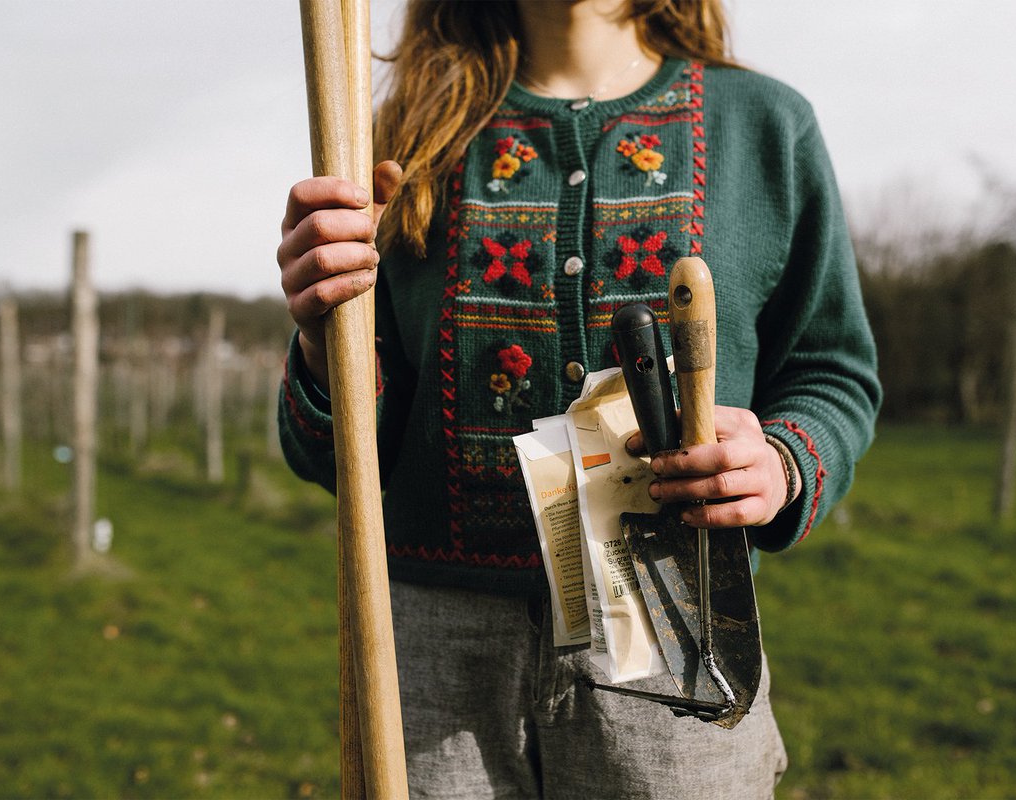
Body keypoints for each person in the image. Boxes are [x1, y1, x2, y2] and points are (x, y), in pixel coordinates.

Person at [276, 0, 881, 796]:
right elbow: (337, 453)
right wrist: (325, 340)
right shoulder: (405, 139)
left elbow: (831, 370)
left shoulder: (764, 126)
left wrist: (778, 461)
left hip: (672, 625)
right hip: (432, 654)